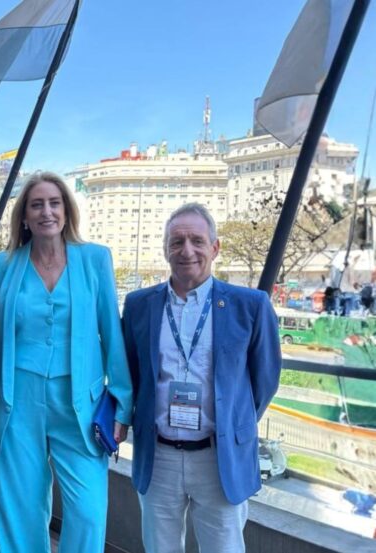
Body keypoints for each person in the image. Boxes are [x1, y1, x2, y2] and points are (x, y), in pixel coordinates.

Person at [122, 203, 281, 553]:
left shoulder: (250, 305)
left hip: (218, 459)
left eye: (197, 240)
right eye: (177, 242)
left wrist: (231, 424)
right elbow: (131, 373)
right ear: (166, 249)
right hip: (159, 457)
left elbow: (265, 380)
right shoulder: (138, 305)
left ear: (215, 247)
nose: (187, 250)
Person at [0, 171, 133, 552]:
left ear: (67, 211)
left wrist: (122, 405)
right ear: (24, 216)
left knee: (88, 511)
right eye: (36, 205)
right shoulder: (3, 265)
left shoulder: (94, 259)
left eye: (54, 203)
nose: (46, 212)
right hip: (18, 401)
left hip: (80, 404)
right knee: (20, 508)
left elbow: (111, 333)